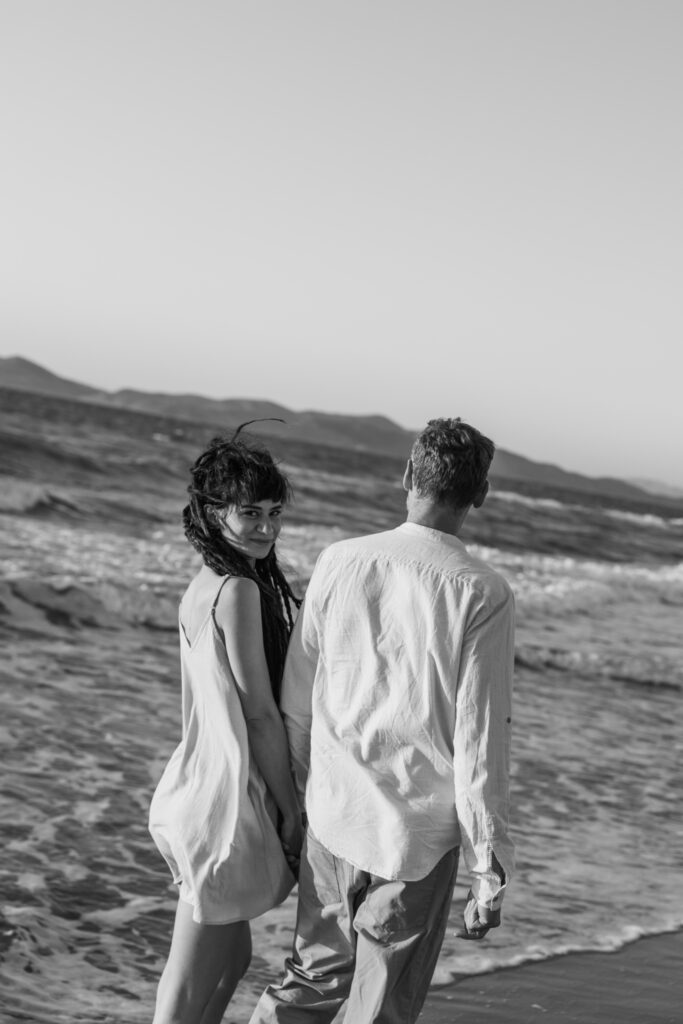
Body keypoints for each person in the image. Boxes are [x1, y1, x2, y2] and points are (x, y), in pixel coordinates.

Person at [250, 417, 516, 1024]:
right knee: (379, 1008)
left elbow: (298, 698)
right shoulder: (481, 590)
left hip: (333, 814)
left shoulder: (340, 560)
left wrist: (295, 803)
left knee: (310, 980)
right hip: (414, 840)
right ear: (478, 496)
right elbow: (479, 741)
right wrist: (488, 869)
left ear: (406, 477)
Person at [149, 428, 304, 1024]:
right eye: (250, 514)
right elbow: (258, 712)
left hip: (199, 790)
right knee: (184, 992)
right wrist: (291, 811)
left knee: (232, 961)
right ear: (214, 514)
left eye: (274, 513)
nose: (266, 527)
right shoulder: (237, 591)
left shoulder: (201, 586)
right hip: (223, 808)